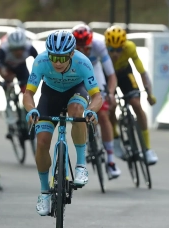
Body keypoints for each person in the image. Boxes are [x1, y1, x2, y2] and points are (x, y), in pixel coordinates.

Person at [23, 30, 103, 216]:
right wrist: (31, 109)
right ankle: (44, 192)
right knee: (42, 142)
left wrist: (91, 110)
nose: (57, 62)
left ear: (72, 54)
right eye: (53, 57)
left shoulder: (83, 63)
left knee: (77, 111)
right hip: (50, 96)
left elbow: (97, 96)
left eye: (62, 58)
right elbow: (28, 94)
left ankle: (81, 165)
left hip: (76, 91)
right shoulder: (41, 61)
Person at [72, 23, 121, 179]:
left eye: (85, 48)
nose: (82, 51)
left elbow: (111, 75)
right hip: (78, 75)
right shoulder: (69, 50)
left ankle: (111, 161)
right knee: (79, 108)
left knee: (104, 115)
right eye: (78, 49)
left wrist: (111, 93)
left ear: (90, 44)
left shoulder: (98, 46)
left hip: (95, 72)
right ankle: (85, 144)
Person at [104, 25, 158, 165]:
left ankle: (147, 149)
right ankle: (115, 139)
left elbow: (142, 73)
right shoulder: (101, 50)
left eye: (119, 50)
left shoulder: (130, 48)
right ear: (106, 47)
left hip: (124, 73)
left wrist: (149, 94)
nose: (115, 54)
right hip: (107, 76)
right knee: (111, 105)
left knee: (136, 104)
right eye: (111, 50)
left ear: (124, 46)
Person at [0, 28, 38, 139]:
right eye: (14, 49)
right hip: (7, 69)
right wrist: (1, 83)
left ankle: (30, 118)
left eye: (20, 49)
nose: (18, 52)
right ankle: (10, 122)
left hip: (21, 67)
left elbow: (41, 64)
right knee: (8, 86)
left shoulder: (29, 47)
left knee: (27, 92)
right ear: (10, 47)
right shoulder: (4, 50)